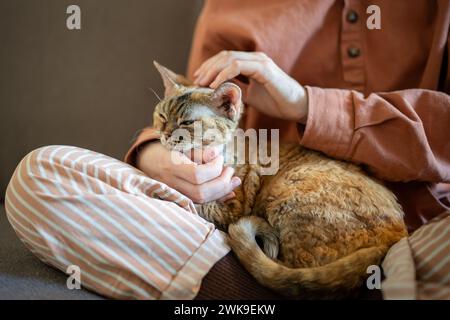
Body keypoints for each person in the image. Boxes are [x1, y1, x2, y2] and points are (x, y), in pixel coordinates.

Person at [5, 0, 450, 300]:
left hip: (425, 229)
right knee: (39, 177)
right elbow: (187, 108)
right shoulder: (228, 7)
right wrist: (155, 157)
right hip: (239, 213)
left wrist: (304, 103)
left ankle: (260, 284)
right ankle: (270, 287)